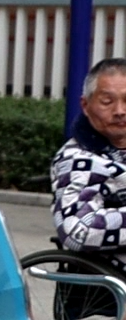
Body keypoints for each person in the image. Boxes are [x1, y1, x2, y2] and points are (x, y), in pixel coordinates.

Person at [51, 57, 126, 253]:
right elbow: (77, 230)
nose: (120, 111)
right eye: (107, 102)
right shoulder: (78, 159)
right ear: (85, 106)